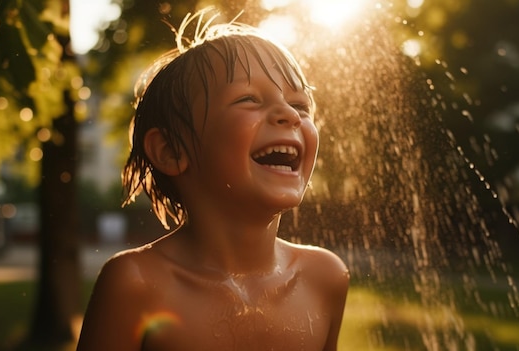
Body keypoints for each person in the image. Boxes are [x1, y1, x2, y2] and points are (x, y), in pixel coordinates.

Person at [77, 8, 349, 351]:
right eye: (248, 98)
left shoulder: (324, 278)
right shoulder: (138, 285)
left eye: (300, 104)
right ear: (171, 150)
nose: (290, 115)